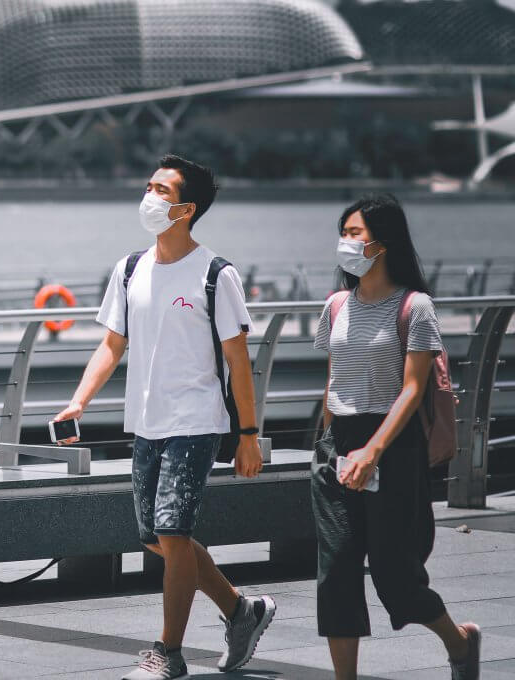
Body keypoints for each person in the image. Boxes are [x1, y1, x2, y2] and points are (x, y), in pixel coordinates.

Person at [53, 154, 275, 680]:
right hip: (146, 422)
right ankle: (242, 611)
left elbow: (239, 362)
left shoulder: (216, 275)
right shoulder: (131, 268)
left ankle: (168, 654)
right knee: (155, 537)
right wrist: (78, 401)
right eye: (149, 185)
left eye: (162, 190)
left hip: (196, 421)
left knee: (173, 534)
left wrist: (248, 435)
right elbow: (112, 343)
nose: (149, 197)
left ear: (186, 209)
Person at [311, 194, 481, 680]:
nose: (345, 242)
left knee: (396, 576)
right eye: (342, 232)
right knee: (337, 572)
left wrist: (373, 450)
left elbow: (413, 389)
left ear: (383, 243)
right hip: (337, 446)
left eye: (355, 233)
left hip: (390, 445)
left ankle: (459, 640)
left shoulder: (415, 307)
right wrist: (327, 445)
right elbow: (334, 379)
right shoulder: (336, 305)